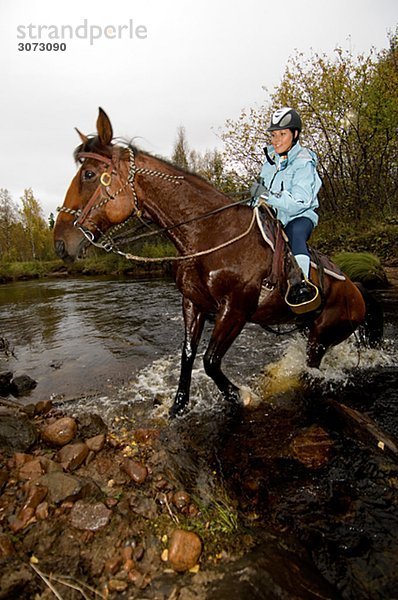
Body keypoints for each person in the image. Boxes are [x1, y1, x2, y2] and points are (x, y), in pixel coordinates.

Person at [251, 107, 322, 307]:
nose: (276, 140)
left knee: (296, 234)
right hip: (272, 217)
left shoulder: (304, 162)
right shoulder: (270, 160)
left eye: (282, 134)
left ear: (295, 134)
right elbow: (262, 194)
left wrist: (266, 195)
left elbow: (300, 201)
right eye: (274, 134)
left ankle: (302, 286)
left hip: (298, 216)